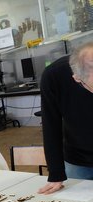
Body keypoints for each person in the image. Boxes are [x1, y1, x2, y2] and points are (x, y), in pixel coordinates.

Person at [39, 42, 93, 194]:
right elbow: (51, 126)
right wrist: (56, 173)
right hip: (79, 159)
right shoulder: (54, 76)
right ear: (77, 78)